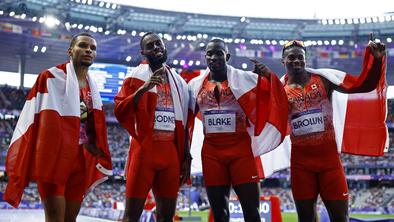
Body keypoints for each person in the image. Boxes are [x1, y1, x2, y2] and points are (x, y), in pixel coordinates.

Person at [4, 32, 113, 222]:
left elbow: (89, 123)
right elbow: (32, 117)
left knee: (71, 218)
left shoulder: (92, 87)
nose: (88, 50)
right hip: (53, 158)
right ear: (70, 50)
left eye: (93, 48)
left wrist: (92, 140)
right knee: (55, 218)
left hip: (79, 160)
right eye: (83, 45)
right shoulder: (50, 77)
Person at [281, 37, 386, 222]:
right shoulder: (279, 90)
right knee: (306, 219)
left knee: (340, 218)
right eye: (291, 58)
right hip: (301, 165)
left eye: (300, 57)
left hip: (329, 162)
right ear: (284, 62)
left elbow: (363, 86)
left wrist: (376, 60)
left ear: (306, 59)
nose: (296, 61)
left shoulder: (323, 79)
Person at [188, 39, 288, 222]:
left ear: (227, 56)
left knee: (252, 212)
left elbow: (273, 94)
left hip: (240, 151)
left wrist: (267, 76)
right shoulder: (195, 85)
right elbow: (185, 119)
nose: (213, 57)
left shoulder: (245, 79)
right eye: (209, 53)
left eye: (218, 53)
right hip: (212, 154)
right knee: (219, 214)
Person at [114, 32, 191, 222]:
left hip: (171, 154)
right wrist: (142, 89)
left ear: (165, 47)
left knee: (166, 217)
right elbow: (120, 110)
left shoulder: (179, 81)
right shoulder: (134, 78)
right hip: (144, 151)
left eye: (159, 43)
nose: (156, 47)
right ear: (143, 52)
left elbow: (185, 122)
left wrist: (186, 155)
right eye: (150, 45)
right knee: (131, 216)